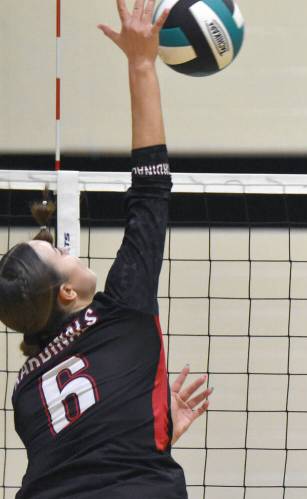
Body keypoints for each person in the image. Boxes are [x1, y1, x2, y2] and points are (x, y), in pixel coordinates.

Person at [0, 1, 199, 496]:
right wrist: (141, 63)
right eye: (60, 255)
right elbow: (149, 191)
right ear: (66, 292)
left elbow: (83, 460)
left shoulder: (26, 393)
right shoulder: (120, 312)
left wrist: (146, 430)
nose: (71, 251)